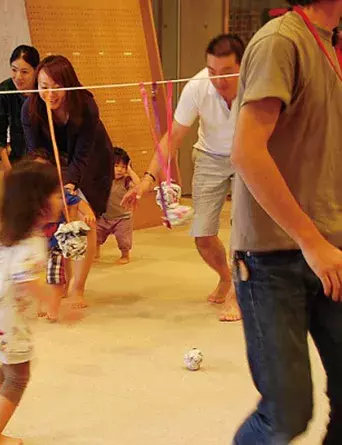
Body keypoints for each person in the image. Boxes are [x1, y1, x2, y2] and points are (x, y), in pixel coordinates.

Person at [229, 1, 342, 443]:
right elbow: (247, 152)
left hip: (331, 249)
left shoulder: (331, 45)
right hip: (273, 258)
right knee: (287, 413)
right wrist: (312, 242)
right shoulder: (282, 41)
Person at [0, 160, 78, 445]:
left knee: (8, 368)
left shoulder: (1, 239)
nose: (63, 200)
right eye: (57, 195)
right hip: (6, 323)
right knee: (19, 376)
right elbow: (26, 280)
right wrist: (57, 304)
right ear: (37, 205)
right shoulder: (31, 244)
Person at [123, 34, 245, 322]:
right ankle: (227, 277)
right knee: (202, 235)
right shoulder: (197, 87)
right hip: (209, 156)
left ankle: (238, 294)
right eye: (213, 72)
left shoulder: (257, 78)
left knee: (244, 228)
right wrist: (147, 180)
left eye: (227, 72)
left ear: (242, 65)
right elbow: (173, 138)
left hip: (248, 155)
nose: (219, 80)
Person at [22, 55, 115, 308]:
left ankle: (78, 288)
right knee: (56, 223)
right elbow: (36, 153)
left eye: (56, 86)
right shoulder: (30, 110)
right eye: (43, 86)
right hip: (52, 164)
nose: (50, 93)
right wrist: (46, 184)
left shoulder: (85, 105)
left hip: (91, 164)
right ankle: (62, 282)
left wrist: (70, 184)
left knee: (85, 224)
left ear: (69, 84)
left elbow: (83, 155)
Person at [28, 148, 94, 321]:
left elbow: (78, 203)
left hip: (56, 243)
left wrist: (88, 214)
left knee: (55, 277)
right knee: (35, 277)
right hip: (36, 244)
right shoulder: (28, 195)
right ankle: (43, 302)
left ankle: (53, 307)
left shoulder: (60, 192)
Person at [0, 45, 40, 170]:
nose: (18, 77)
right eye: (14, 70)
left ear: (36, 71)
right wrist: (8, 168)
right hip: (18, 159)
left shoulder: (43, 90)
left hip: (45, 162)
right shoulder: (3, 91)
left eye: (24, 72)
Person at [96, 147, 140, 265]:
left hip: (123, 217)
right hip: (104, 216)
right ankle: (95, 251)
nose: (120, 170)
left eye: (123, 167)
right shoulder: (104, 179)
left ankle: (125, 255)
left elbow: (138, 185)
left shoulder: (126, 181)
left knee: (123, 239)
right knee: (96, 235)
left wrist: (130, 170)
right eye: (116, 166)